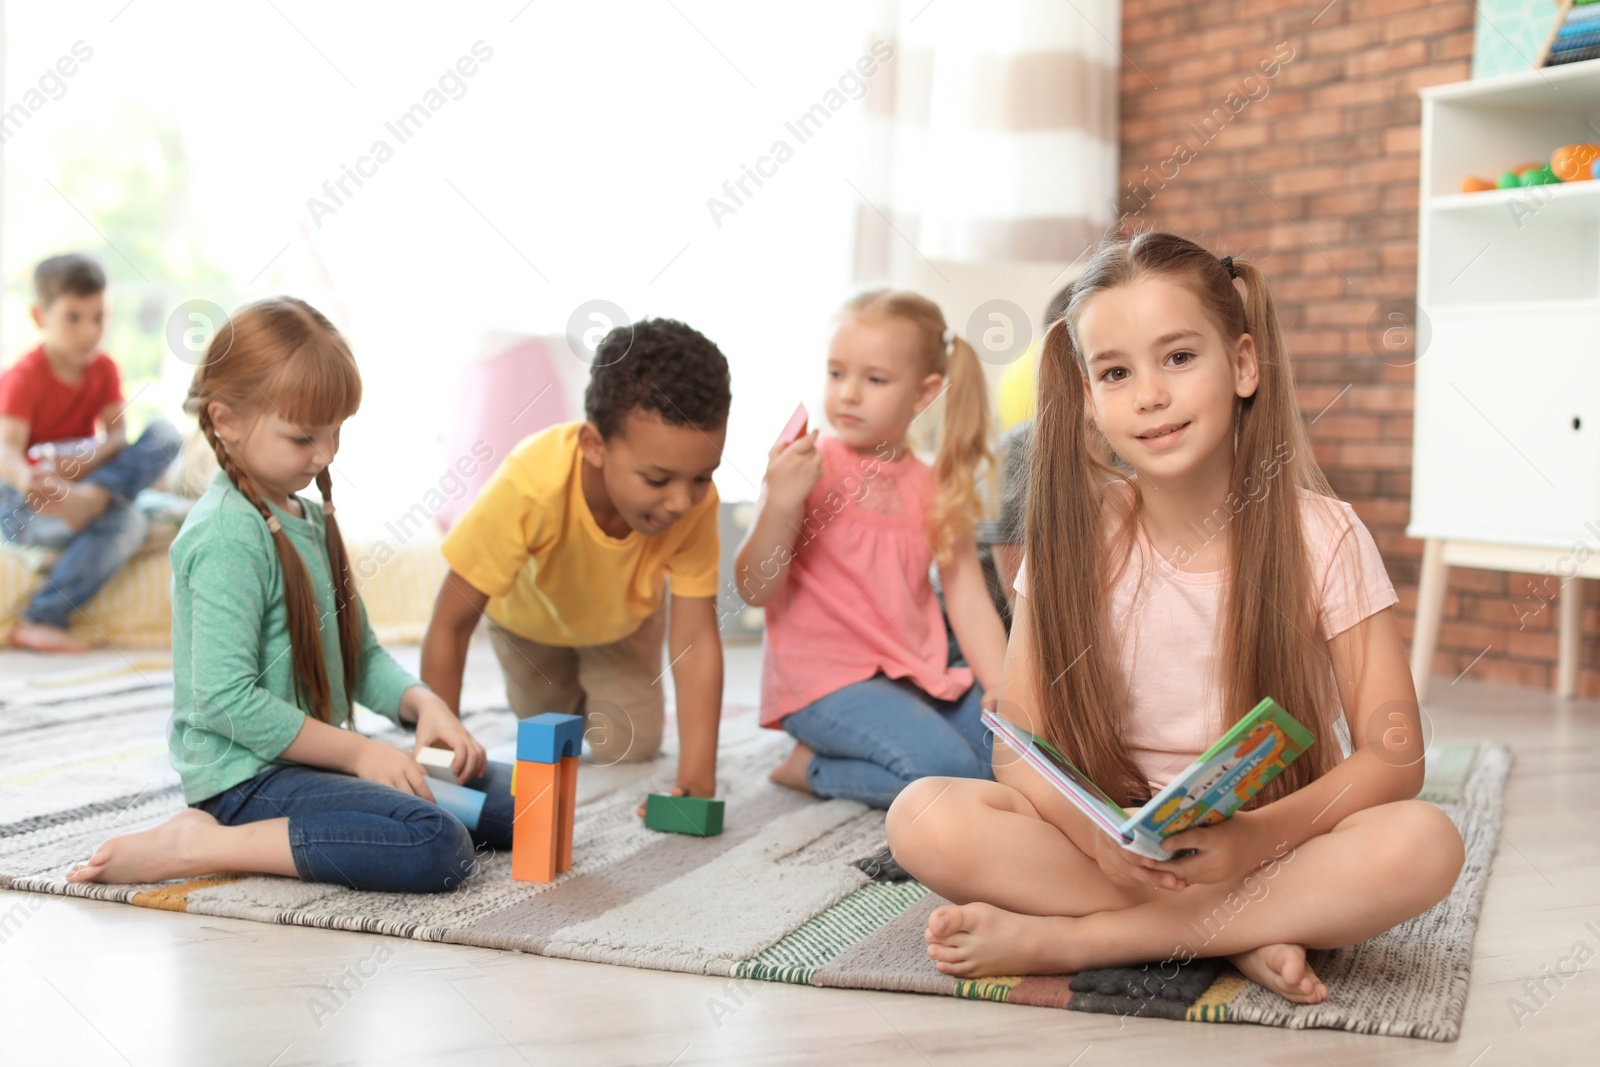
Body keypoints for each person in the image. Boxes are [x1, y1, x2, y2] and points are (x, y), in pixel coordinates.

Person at [885, 232, 1464, 1003]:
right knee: (923, 813)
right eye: (1116, 372)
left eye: (1179, 357)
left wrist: (1255, 838)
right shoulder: (1075, 539)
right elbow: (1018, 749)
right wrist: (1100, 837)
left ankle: (1087, 937)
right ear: (1090, 397)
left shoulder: (1323, 534)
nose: (1149, 394)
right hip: (1111, 843)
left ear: (1245, 365)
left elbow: (1395, 756)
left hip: (1270, 843)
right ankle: (1237, 933)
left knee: (1424, 841)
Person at [69, 298, 499, 893]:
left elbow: (362, 656)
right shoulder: (226, 534)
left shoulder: (304, 511)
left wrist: (425, 705)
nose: (325, 455)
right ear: (226, 420)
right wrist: (357, 754)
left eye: (335, 432)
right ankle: (203, 844)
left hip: (310, 764)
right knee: (436, 844)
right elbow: (224, 699)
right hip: (247, 782)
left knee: (517, 804)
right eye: (303, 437)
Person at [422, 319, 730, 811]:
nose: (680, 502)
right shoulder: (530, 483)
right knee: (547, 739)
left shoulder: (694, 501)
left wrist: (697, 776)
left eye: (703, 476)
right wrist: (436, 761)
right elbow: (450, 623)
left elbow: (694, 642)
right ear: (593, 445)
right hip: (528, 627)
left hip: (621, 625)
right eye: (657, 479)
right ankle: (563, 692)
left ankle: (605, 684)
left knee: (630, 745)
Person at [738, 290, 1006, 809]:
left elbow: (969, 599)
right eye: (836, 374)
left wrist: (999, 686)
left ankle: (919, 758)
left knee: (1014, 757)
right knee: (947, 774)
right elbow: (754, 588)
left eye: (874, 379)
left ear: (924, 393)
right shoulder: (806, 466)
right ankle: (812, 768)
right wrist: (778, 501)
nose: (848, 394)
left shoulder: (935, 485)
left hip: (914, 674)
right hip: (821, 682)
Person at [0, 252, 181, 652]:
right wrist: (33, 480)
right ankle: (39, 617)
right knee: (128, 523)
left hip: (86, 488)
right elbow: (6, 452)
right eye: (74, 317)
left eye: (99, 317)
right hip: (28, 503)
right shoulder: (25, 377)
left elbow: (117, 436)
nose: (89, 331)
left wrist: (90, 472)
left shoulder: (104, 369)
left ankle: (97, 500)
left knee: (166, 433)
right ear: (39, 316)